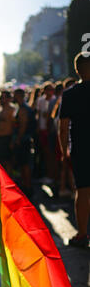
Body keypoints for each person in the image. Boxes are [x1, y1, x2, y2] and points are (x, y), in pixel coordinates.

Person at [59, 53, 90, 248]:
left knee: (83, 191)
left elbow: (62, 127)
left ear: (77, 69)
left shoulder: (69, 94)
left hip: (80, 147)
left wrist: (64, 151)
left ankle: (82, 234)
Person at [13, 88, 35, 197]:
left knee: (25, 164)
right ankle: (26, 186)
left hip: (23, 140)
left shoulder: (23, 109)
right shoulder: (23, 108)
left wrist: (18, 139)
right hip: (25, 139)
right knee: (24, 164)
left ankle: (28, 187)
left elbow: (23, 125)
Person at [0, 90, 16, 175]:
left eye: (4, 97)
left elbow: (15, 126)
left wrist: (13, 140)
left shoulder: (12, 109)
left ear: (9, 99)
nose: (1, 99)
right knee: (0, 161)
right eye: (1, 97)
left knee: (7, 161)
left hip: (8, 138)